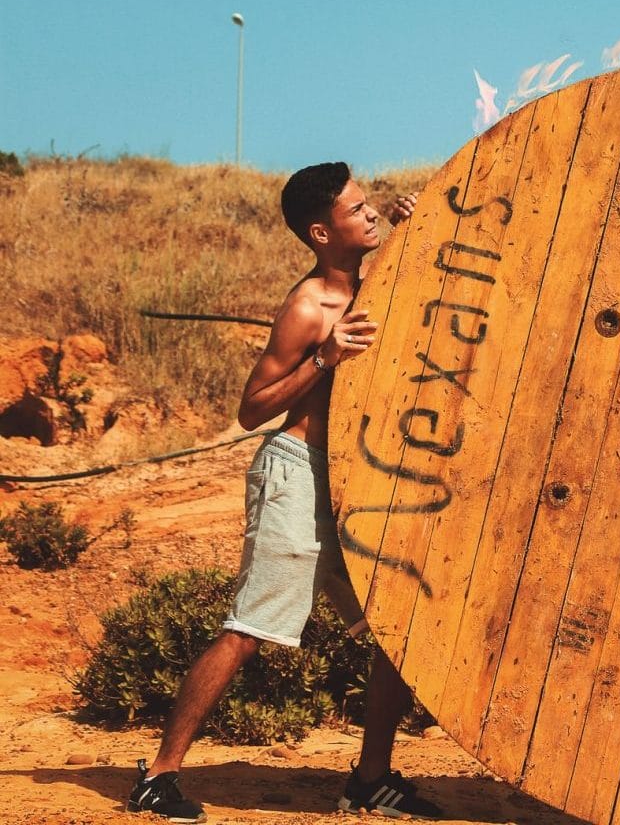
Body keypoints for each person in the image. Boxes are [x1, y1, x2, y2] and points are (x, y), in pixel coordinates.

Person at [127, 162, 441, 823]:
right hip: (298, 470)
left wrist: (424, 226)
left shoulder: (380, 278)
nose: (370, 214)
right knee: (250, 629)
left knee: (400, 629)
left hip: (360, 479)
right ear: (322, 233)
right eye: (357, 211)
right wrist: (324, 359)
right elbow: (251, 408)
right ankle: (158, 775)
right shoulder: (308, 307)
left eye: (368, 204)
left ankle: (371, 778)